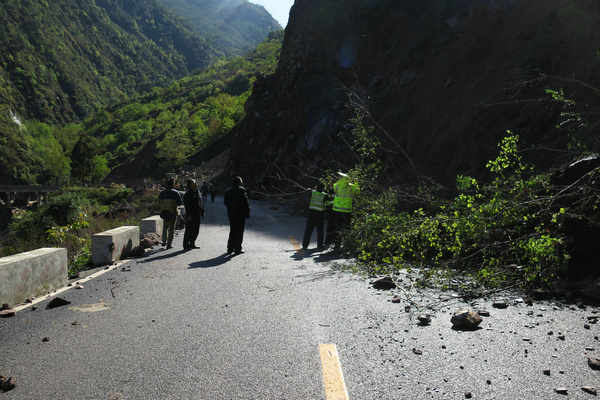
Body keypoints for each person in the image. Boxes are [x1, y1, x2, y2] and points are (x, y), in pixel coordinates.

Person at [325, 172, 359, 249]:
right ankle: (347, 244)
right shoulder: (352, 187)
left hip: (336, 210)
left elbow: (332, 187)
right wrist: (356, 182)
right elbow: (357, 191)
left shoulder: (336, 185)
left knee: (337, 227)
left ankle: (337, 243)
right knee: (347, 228)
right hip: (347, 211)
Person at [224, 176, 250, 255]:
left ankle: (230, 248)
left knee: (233, 230)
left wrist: (231, 208)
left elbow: (225, 202)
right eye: (241, 181)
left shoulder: (228, 191)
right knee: (239, 231)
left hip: (231, 214)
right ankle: (237, 248)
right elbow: (245, 203)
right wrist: (246, 213)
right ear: (239, 182)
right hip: (240, 215)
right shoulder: (242, 191)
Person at [302, 182, 332, 250]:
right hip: (319, 214)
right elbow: (328, 202)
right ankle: (320, 245)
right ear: (323, 188)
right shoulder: (324, 195)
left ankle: (305, 245)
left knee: (308, 230)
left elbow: (308, 192)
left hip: (311, 213)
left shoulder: (313, 192)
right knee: (320, 231)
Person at [158, 178, 182, 249]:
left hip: (165, 212)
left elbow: (160, 201)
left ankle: (164, 241)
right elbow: (179, 203)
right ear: (173, 184)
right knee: (171, 228)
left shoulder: (162, 192)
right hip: (172, 212)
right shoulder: (176, 192)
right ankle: (169, 244)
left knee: (165, 226)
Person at [183, 179, 205, 250]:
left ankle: (192, 243)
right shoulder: (188, 194)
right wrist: (188, 215)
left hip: (197, 214)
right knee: (189, 230)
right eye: (193, 183)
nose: (195, 184)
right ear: (190, 185)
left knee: (196, 230)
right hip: (191, 215)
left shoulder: (198, 192)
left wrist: (202, 212)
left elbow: (201, 203)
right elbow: (187, 205)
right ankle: (186, 245)